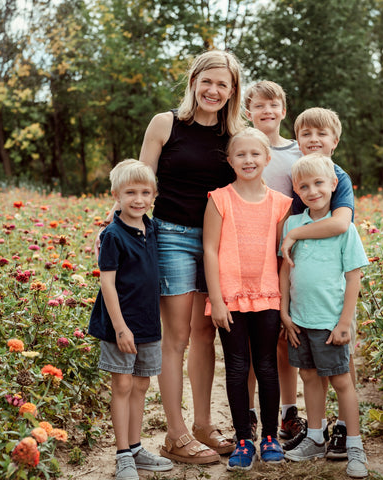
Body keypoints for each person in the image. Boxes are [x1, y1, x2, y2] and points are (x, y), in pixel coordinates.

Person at [98, 50, 245, 465]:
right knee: (176, 338)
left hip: (218, 243)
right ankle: (175, 434)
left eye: (223, 84)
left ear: (233, 91)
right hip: (173, 238)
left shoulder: (233, 137)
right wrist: (113, 228)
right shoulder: (166, 125)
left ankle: (202, 425)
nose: (214, 90)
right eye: (208, 81)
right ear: (194, 81)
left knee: (205, 335)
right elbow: (140, 184)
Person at [203, 127, 292, 471]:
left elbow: (283, 258)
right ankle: (243, 439)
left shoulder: (280, 204)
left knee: (267, 366)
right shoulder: (219, 199)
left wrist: (284, 304)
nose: (248, 160)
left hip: (268, 296)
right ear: (230, 161)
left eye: (255, 154)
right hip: (231, 298)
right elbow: (210, 250)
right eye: (240, 154)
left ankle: (270, 436)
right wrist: (217, 299)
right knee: (238, 368)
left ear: (268, 159)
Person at [280, 153, 369, 478]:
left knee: (341, 381)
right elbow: (285, 271)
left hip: (330, 322)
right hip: (299, 319)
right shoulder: (293, 224)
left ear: (334, 184)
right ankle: (315, 437)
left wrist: (345, 321)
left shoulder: (346, 230)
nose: (312, 190)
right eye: (304, 185)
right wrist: (283, 312)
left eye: (319, 183)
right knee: (308, 377)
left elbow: (353, 278)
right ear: (296, 190)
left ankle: (354, 446)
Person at [88, 159, 173, 480]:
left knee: (141, 383)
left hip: (148, 322)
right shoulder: (113, 235)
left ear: (153, 195)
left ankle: (136, 448)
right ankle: (122, 453)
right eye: (130, 192)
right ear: (116, 195)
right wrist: (121, 327)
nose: (138, 199)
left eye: (145, 192)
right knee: (122, 383)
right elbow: (107, 283)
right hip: (119, 325)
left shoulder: (149, 227)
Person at [243, 81, 306, 444]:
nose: (267, 111)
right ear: (248, 112)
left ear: (284, 110)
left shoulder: (298, 152)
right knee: (252, 341)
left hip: (288, 250)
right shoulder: (242, 148)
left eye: (274, 105)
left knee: (285, 336)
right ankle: (249, 413)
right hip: (250, 252)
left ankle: (287, 412)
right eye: (259, 106)